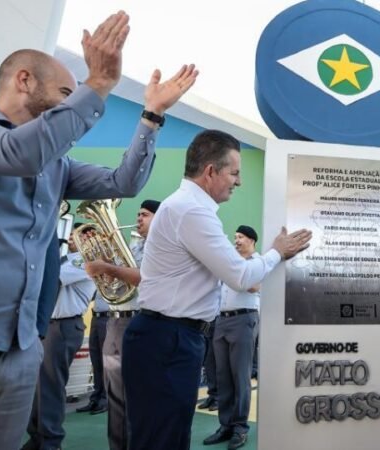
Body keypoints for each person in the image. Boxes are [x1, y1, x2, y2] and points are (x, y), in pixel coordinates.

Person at [0, 10, 198, 448]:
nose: (74, 105)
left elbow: (123, 183)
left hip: (17, 357)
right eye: (64, 93)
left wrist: (151, 116)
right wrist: (97, 85)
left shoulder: (55, 164)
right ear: (23, 80)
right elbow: (16, 154)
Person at [122, 129, 312, 450]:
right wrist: (277, 251)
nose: (238, 182)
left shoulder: (188, 207)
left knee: (165, 434)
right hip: (169, 339)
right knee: (162, 438)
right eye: (234, 173)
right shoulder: (192, 211)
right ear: (210, 171)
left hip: (169, 336)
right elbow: (239, 274)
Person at [84, 199, 160, 450]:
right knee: (115, 394)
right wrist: (103, 261)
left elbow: (144, 278)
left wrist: (108, 266)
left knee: (136, 396)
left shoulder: (160, 246)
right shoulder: (133, 245)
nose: (139, 218)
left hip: (138, 322)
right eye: (138, 214)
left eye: (145, 214)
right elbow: (115, 282)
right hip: (114, 324)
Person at [23, 226, 96, 450]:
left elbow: (52, 278)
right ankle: (37, 437)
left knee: (50, 387)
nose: (72, 237)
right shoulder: (66, 258)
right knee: (38, 387)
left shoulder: (83, 261)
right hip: (51, 325)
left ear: (89, 238)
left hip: (63, 327)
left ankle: (49, 442)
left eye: (79, 233)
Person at [206, 225, 263, 449]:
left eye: (240, 237)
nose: (236, 241)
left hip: (244, 319)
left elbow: (252, 286)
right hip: (222, 320)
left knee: (240, 377)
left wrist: (232, 267)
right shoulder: (232, 263)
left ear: (252, 240)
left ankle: (240, 427)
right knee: (223, 377)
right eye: (235, 237)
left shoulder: (256, 262)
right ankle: (225, 426)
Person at [77, 293, 110, 415]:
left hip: (109, 317)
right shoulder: (96, 277)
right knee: (95, 360)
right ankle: (95, 398)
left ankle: (105, 399)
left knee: (105, 361)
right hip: (95, 317)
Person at [197, 320, 219, 411]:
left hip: (221, 321)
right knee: (209, 364)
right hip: (209, 324)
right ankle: (212, 395)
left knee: (218, 363)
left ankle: (219, 399)